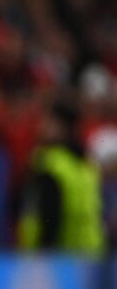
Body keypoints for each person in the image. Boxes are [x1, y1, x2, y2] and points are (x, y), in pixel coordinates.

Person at [15, 107, 105, 255]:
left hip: (60, 258)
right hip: (91, 256)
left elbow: (50, 217)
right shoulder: (86, 165)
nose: (42, 127)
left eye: (48, 122)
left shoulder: (51, 164)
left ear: (61, 127)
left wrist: (43, 254)